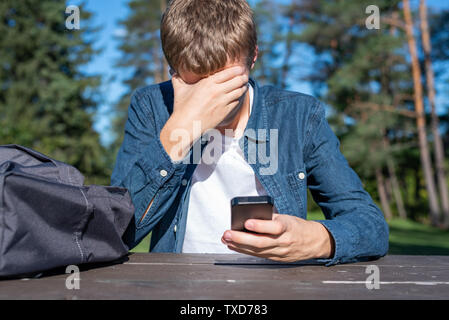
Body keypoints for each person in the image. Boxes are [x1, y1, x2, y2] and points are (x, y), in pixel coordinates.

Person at [111, 0, 389, 265]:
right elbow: (116, 233)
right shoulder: (152, 106)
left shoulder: (300, 116)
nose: (213, 102)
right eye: (197, 87)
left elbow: (370, 225)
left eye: (226, 85)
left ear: (253, 55)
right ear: (173, 70)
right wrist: (180, 128)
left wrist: (318, 239)